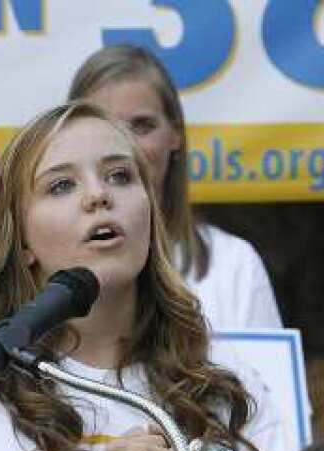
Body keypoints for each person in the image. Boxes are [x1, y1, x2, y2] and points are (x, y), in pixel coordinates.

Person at [0, 102, 301, 451]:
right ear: (21, 241)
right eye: (61, 186)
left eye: (120, 176)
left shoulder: (225, 383)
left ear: (151, 213)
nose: (98, 196)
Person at [68, 45, 282, 331]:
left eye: (142, 126)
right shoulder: (45, 267)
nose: (125, 146)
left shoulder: (234, 264)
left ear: (175, 135)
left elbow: (262, 377)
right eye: (104, 126)